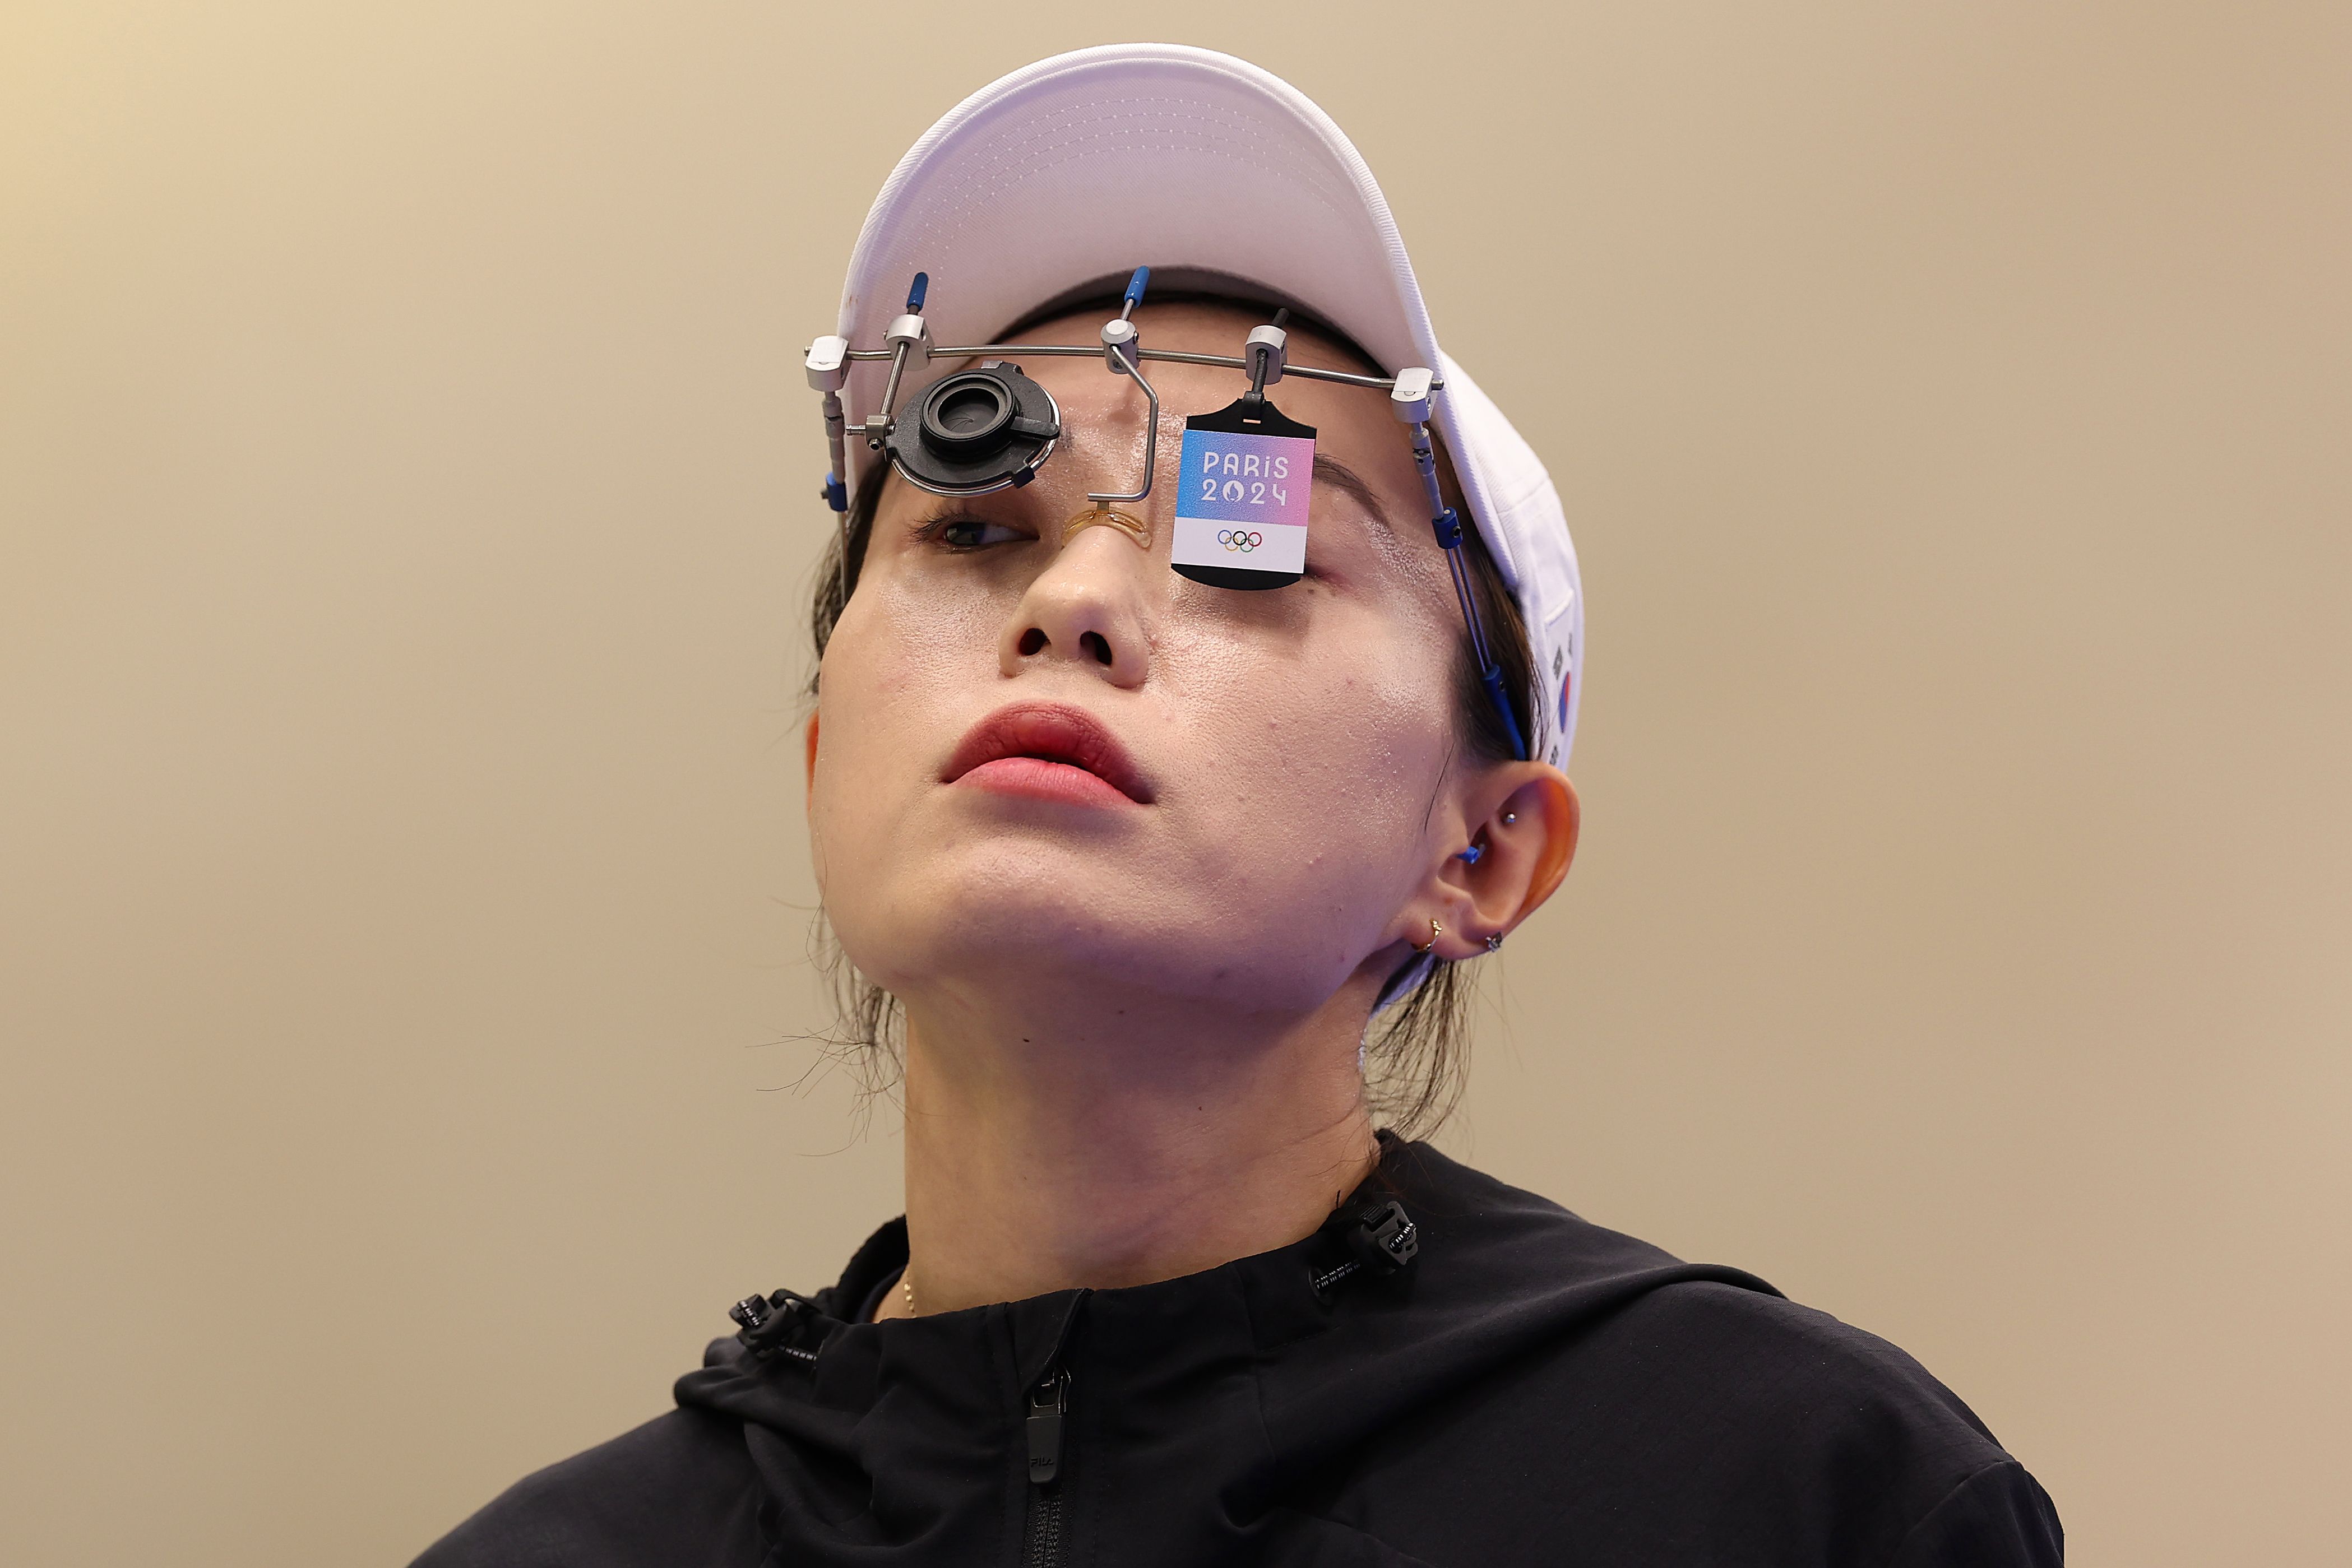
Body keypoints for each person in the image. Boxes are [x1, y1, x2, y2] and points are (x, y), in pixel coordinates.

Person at [414, 43, 2062, 1567]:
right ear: (824, 762)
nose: (1072, 600)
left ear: (1481, 848)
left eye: (1246, 541)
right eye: (975, 529)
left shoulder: (1792, 1490)